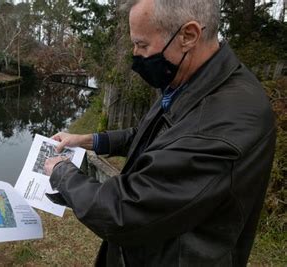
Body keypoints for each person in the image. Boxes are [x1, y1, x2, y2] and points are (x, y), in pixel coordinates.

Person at [44, 0, 276, 266]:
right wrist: (88, 140)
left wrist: (63, 173)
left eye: (142, 45)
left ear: (188, 35)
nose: (135, 55)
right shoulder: (190, 83)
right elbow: (151, 136)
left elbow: (126, 210)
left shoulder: (225, 122)